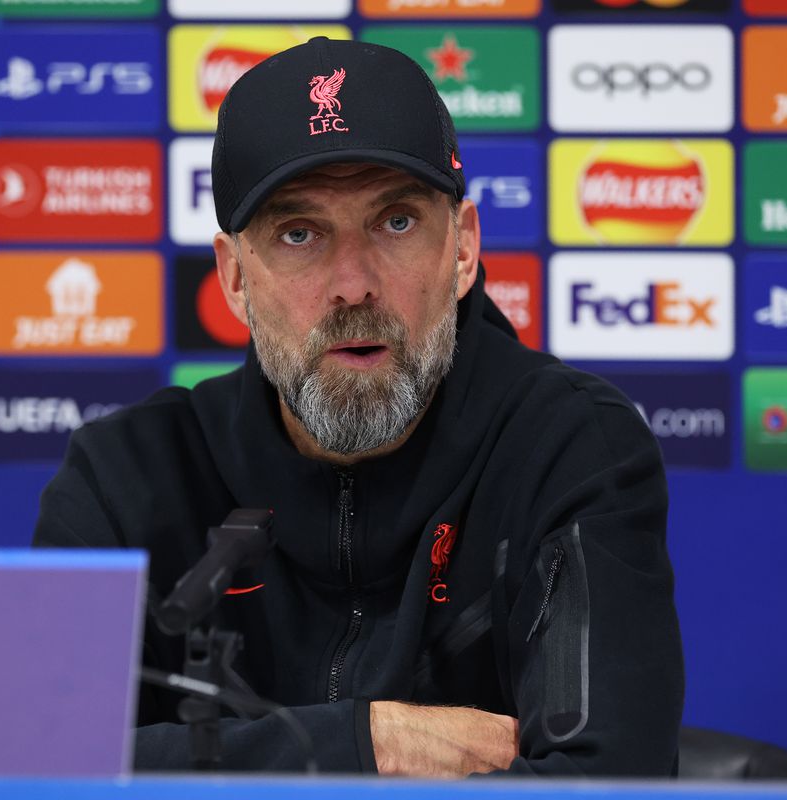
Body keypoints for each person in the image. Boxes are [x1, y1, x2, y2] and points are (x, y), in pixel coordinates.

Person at [34, 36, 683, 777]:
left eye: (395, 222)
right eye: (299, 234)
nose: (353, 284)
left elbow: (608, 784)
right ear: (235, 277)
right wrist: (366, 746)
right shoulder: (128, 479)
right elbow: (34, 767)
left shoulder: (573, 449)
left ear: (462, 249)